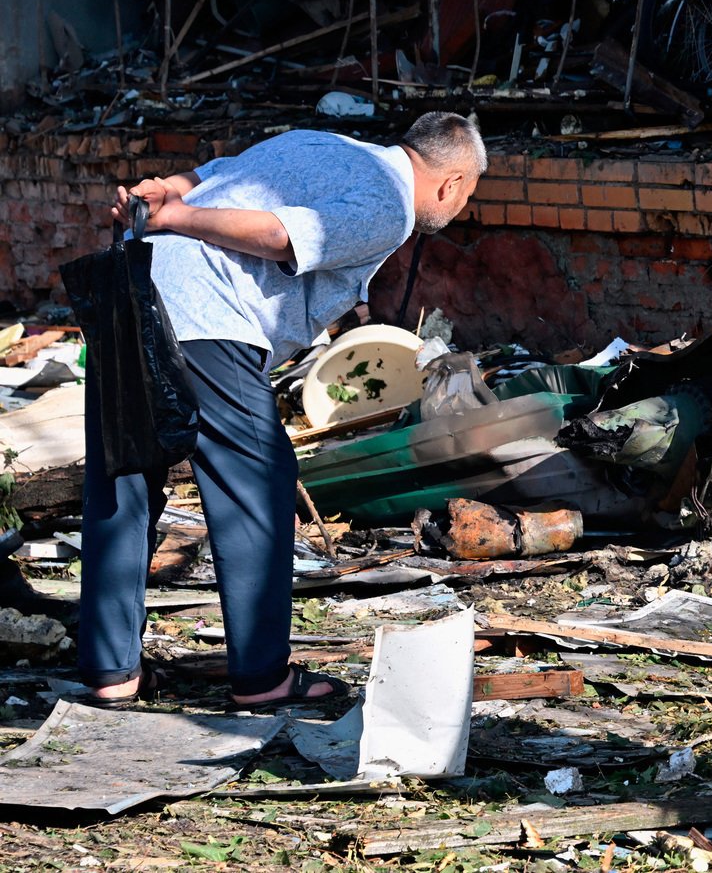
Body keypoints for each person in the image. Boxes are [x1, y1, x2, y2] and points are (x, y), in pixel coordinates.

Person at [79, 112, 486, 708]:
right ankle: (263, 680)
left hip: (130, 290)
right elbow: (281, 236)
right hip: (208, 318)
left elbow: (213, 174)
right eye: (468, 195)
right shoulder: (391, 203)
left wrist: (166, 191)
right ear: (450, 183)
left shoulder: (315, 141)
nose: (461, 208)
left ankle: (111, 673)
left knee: (125, 478)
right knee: (259, 492)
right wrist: (175, 216)